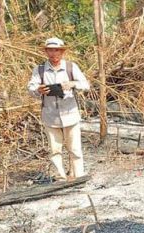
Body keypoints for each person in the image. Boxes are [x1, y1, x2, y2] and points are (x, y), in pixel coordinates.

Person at [27, 37, 90, 181]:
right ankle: (60, 178)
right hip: (50, 115)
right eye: (50, 50)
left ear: (62, 52)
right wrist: (39, 90)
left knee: (75, 149)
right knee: (55, 150)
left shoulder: (70, 67)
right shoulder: (40, 70)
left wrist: (72, 84)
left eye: (57, 50)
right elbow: (31, 88)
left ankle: (78, 176)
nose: (54, 54)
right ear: (46, 52)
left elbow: (86, 84)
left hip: (70, 113)